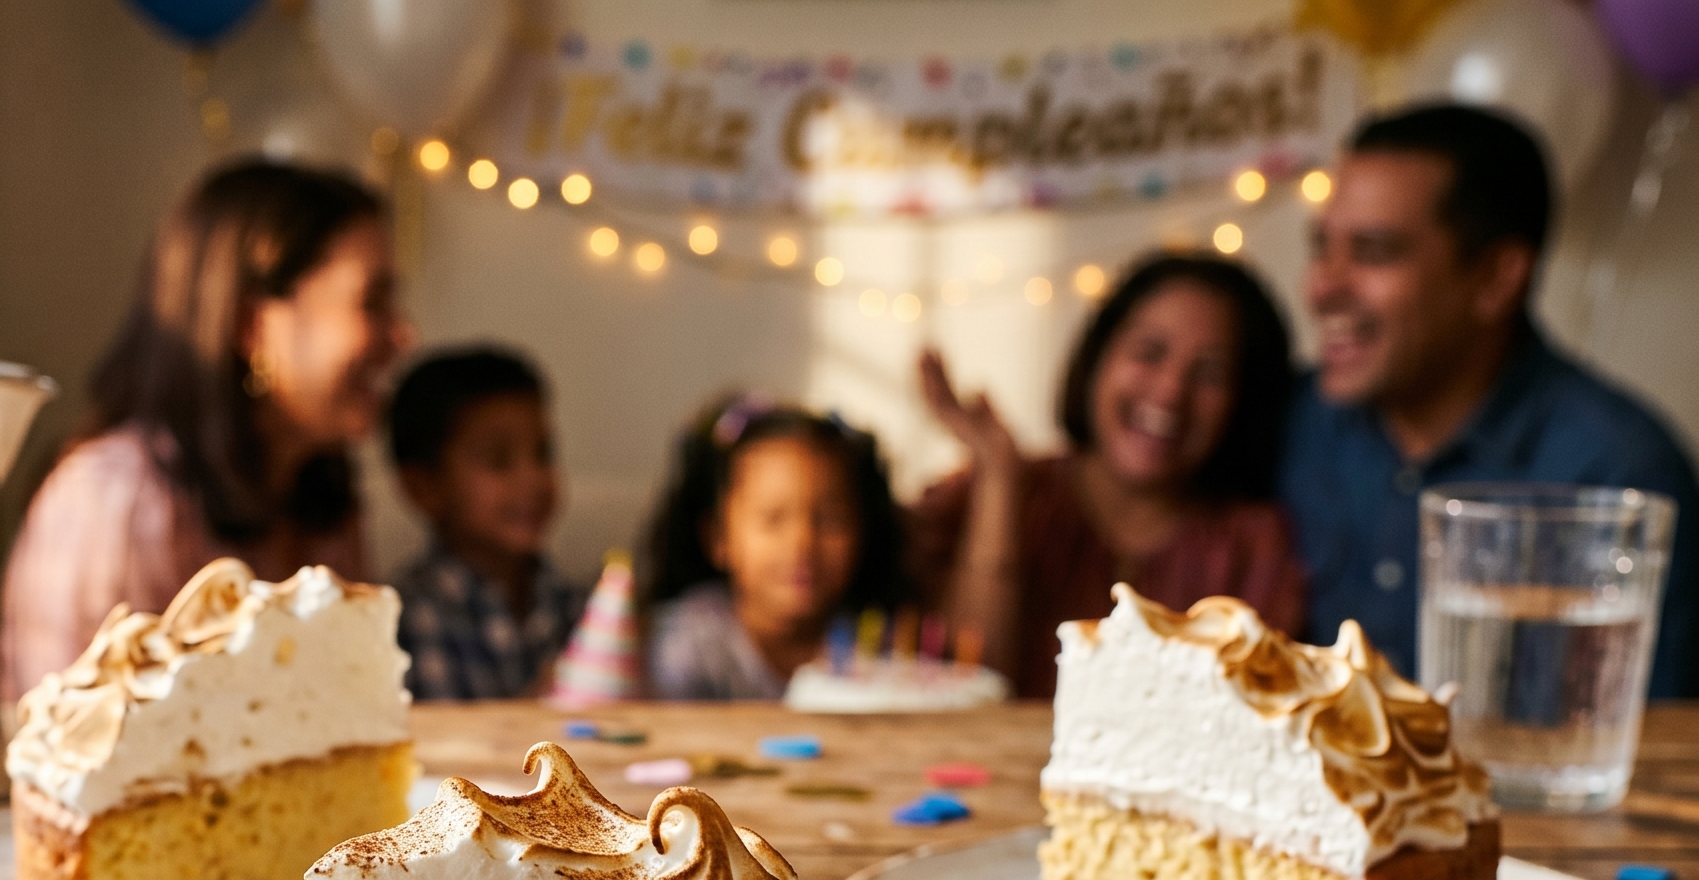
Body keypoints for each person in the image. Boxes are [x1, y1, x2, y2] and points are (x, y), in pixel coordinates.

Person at [1281, 102, 1699, 695]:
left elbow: (1652, 741)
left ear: (1496, 279)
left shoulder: (1615, 473)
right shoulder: (1292, 422)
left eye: (1374, 252)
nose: (1321, 287)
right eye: (1322, 247)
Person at [0, 159, 408, 700]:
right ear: (251, 323)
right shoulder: (113, 502)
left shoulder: (322, 499)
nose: (404, 335)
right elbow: (79, 759)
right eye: (373, 303)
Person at [907, 253, 1303, 699]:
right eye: (1149, 353)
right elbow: (960, 697)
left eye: (1210, 373)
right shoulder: (985, 497)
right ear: (1098, 357)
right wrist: (999, 486)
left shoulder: (1253, 547)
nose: (1171, 391)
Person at [644, 398, 911, 701]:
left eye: (830, 519)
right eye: (773, 518)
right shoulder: (687, 644)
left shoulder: (877, 643)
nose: (802, 543)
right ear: (719, 539)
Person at [385, 346, 584, 700]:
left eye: (543, 454)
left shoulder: (576, 606)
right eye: (498, 461)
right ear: (423, 488)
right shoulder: (407, 621)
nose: (532, 479)